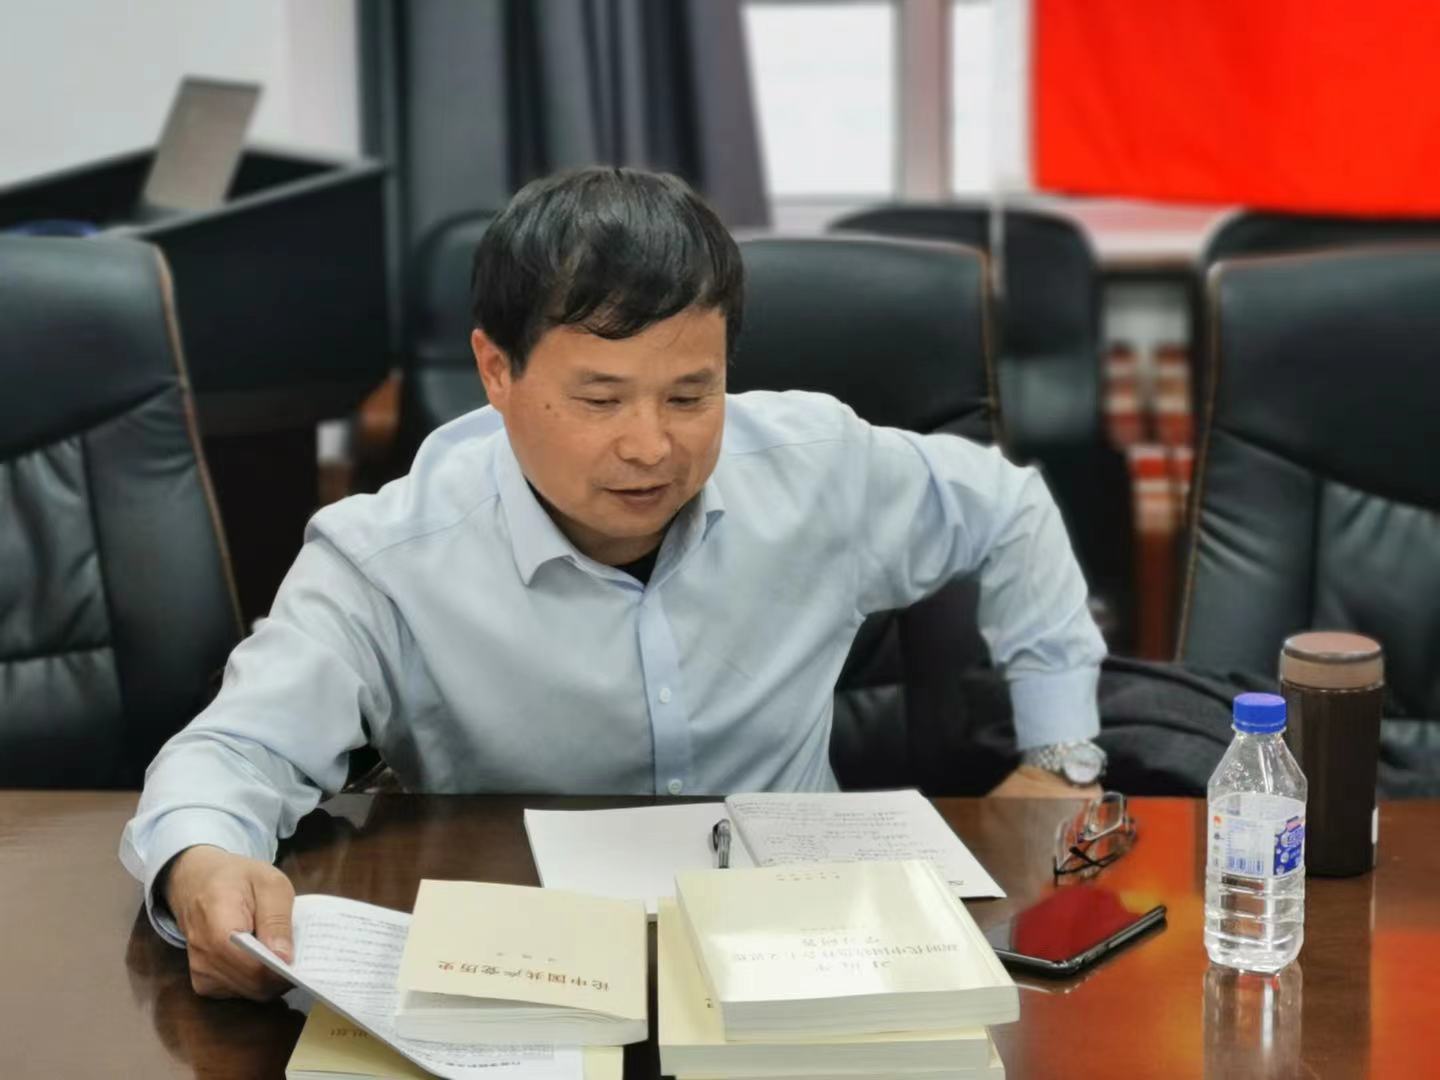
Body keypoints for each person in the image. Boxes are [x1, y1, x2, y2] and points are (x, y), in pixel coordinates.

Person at [120, 167, 1107, 999]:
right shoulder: (388, 557)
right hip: (525, 967)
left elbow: (1009, 508)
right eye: (600, 398)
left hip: (804, 950)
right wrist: (203, 863)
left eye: (691, 394)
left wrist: (1060, 758)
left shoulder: (815, 468)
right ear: (495, 370)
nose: (651, 447)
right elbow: (232, 752)